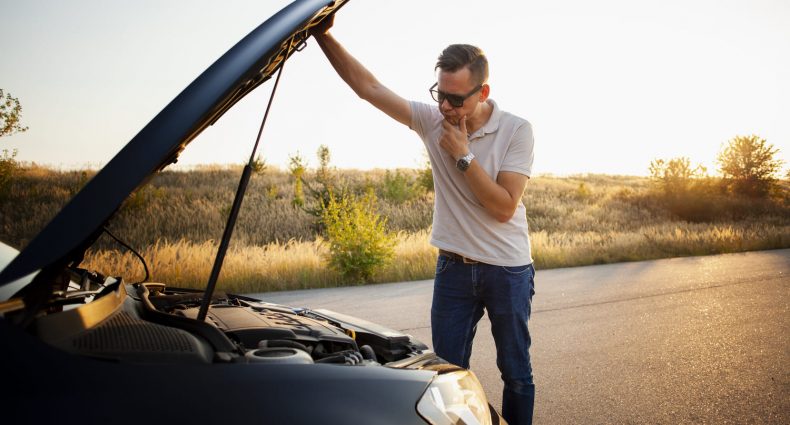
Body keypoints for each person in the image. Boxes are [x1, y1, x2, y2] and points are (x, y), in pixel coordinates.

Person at [311, 16, 536, 425]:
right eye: (440, 96)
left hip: (507, 270)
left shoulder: (517, 130)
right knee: (443, 378)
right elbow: (369, 88)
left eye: (456, 99)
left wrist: (462, 155)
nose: (446, 108)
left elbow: (504, 206)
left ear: (482, 92)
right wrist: (321, 34)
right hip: (453, 269)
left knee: (516, 374)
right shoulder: (432, 120)